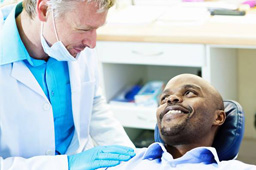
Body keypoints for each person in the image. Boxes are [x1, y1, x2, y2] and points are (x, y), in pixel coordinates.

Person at [0, 0, 136, 169]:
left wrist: (132, 159)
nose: (92, 43)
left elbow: (92, 102)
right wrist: (67, 165)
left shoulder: (73, 45)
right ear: (43, 10)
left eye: (96, 29)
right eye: (83, 29)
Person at [101, 74, 256, 170]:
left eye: (189, 93)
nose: (171, 99)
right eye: (163, 98)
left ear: (219, 117)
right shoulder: (122, 162)